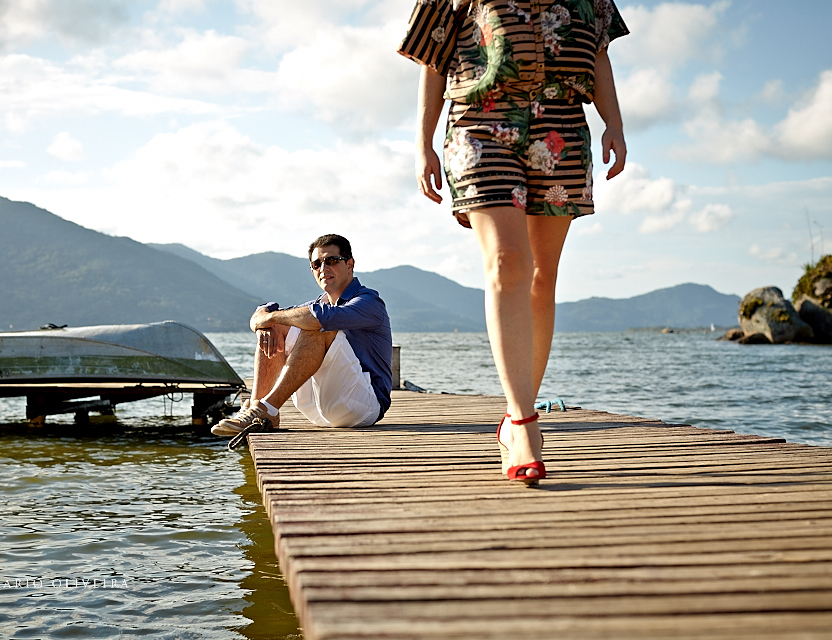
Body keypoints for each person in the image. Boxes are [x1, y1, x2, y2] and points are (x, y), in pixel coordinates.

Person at [397, 0, 629, 484]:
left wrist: (615, 123)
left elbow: (600, 53)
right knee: (506, 262)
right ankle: (524, 423)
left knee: (541, 281)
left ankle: (512, 414)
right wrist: (421, 145)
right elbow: (432, 58)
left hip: (561, 124)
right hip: (479, 121)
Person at [212, 234, 393, 436]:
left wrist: (268, 318)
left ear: (350, 264)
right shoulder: (319, 304)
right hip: (316, 408)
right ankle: (255, 409)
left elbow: (317, 318)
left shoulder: (369, 302)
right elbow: (260, 315)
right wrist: (265, 324)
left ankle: (268, 409)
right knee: (278, 327)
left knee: (316, 325)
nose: (323, 269)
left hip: (363, 407)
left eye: (331, 261)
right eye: (316, 264)